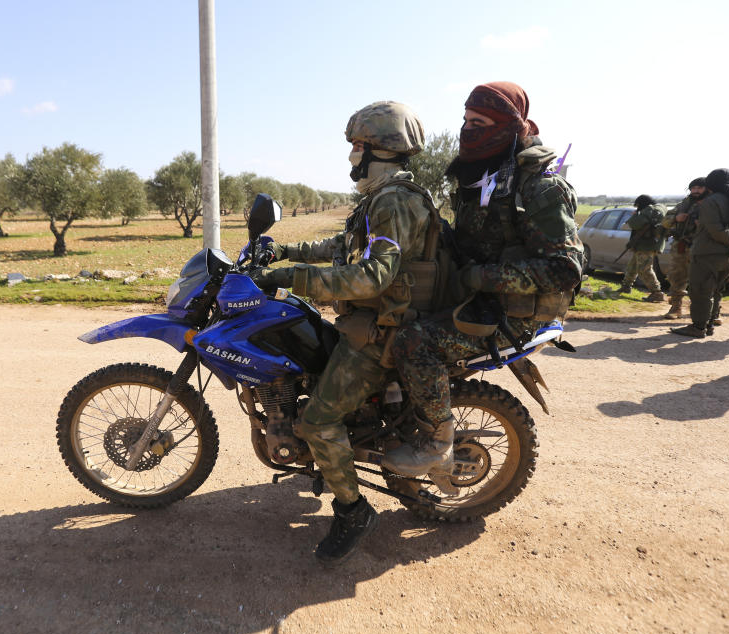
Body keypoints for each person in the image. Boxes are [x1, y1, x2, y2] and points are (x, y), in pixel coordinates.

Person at [250, 101, 438, 564]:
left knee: (316, 420)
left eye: (359, 147)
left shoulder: (395, 201)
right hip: (367, 323)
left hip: (383, 334)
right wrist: (285, 251)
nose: (352, 156)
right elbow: (342, 246)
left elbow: (373, 277)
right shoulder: (380, 199)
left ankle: (354, 512)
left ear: (381, 151)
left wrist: (291, 277)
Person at [381, 81, 583, 476]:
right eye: (466, 120)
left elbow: (564, 270)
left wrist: (479, 276)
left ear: (511, 125)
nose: (468, 130)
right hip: (478, 300)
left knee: (412, 341)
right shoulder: (481, 179)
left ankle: (438, 442)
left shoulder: (539, 188)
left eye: (480, 121)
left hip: (514, 314)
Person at [672, 169, 729, 338]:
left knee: (701, 290)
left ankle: (698, 327)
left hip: (706, 253)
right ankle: (709, 324)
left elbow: (715, 230)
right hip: (727, 255)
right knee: (716, 289)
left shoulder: (711, 201)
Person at [660, 178, 708, 318]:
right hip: (682, 246)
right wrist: (676, 218)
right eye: (693, 188)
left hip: (703, 247)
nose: (696, 191)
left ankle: (705, 312)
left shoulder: (712, 204)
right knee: (677, 276)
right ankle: (676, 308)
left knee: (703, 280)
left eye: (699, 188)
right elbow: (665, 221)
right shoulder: (684, 204)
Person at [617, 195, 666, 301]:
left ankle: (657, 292)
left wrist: (635, 215)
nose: (637, 207)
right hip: (645, 244)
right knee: (633, 266)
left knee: (644, 269)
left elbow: (634, 224)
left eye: (638, 205)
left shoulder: (648, 211)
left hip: (646, 245)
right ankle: (626, 286)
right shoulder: (658, 210)